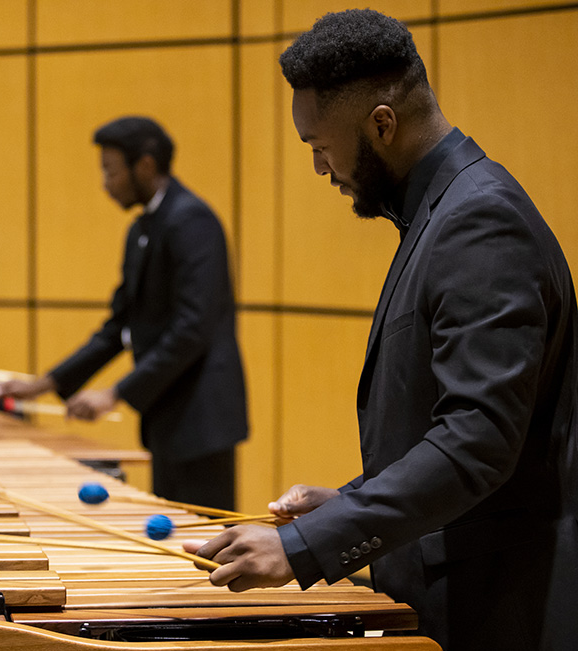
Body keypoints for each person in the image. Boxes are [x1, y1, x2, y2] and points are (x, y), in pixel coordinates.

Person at [183, 9, 578, 650]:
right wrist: (347, 502)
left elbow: (478, 442)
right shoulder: (442, 211)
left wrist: (304, 547)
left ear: (382, 124)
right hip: (462, 588)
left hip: (501, 603)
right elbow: (444, 424)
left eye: (319, 145)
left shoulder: (479, 223)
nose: (320, 167)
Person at [0, 116, 248, 511]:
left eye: (110, 170)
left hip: (201, 418)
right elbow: (118, 327)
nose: (106, 183)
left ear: (143, 165)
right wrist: (44, 384)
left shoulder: (190, 221)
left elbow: (192, 328)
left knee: (205, 543)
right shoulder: (145, 228)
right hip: (168, 416)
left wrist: (115, 394)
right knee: (177, 540)